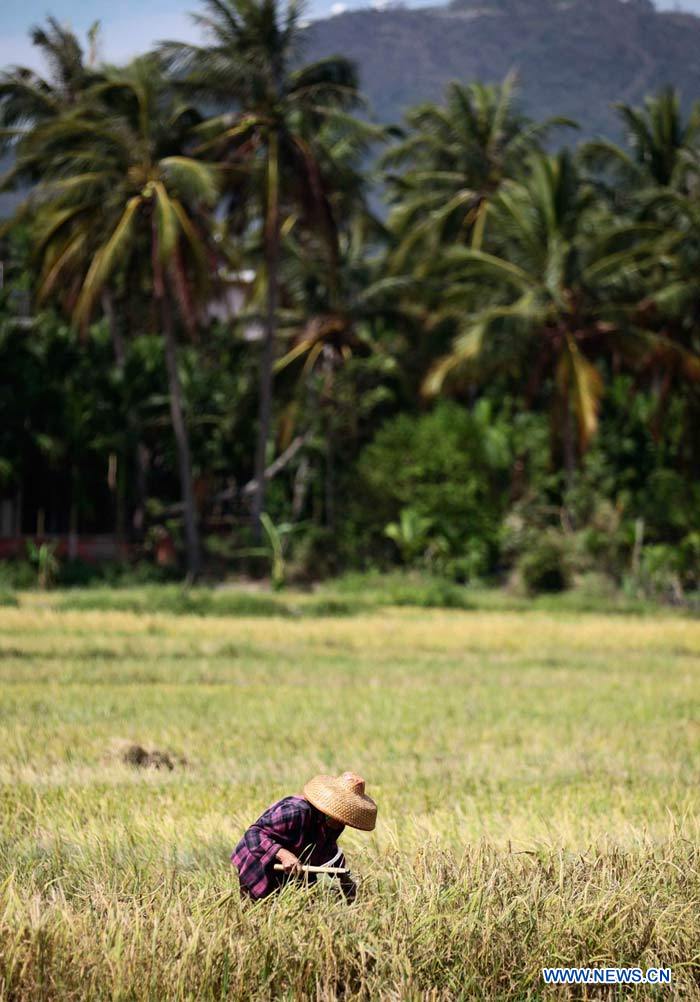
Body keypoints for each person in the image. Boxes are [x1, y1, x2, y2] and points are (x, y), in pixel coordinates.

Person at [231, 771, 377, 902]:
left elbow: (327, 849)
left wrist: (343, 876)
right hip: (259, 863)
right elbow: (253, 834)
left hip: (294, 868)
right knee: (259, 913)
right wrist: (282, 854)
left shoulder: (335, 824)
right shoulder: (295, 811)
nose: (343, 823)